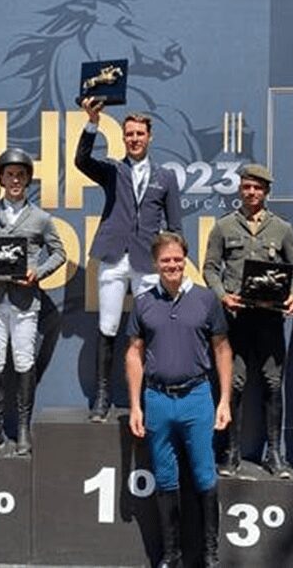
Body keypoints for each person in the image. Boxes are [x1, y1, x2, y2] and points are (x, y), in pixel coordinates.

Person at [126, 232, 232, 568]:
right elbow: (134, 353)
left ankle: (210, 555)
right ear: (155, 263)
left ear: (185, 260)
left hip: (197, 397)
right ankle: (171, 555)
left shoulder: (206, 299)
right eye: (165, 260)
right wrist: (135, 405)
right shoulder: (143, 302)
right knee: (165, 478)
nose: (172, 265)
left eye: (177, 258)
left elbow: (222, 349)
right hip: (157, 399)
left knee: (205, 476)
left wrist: (224, 400)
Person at [76, 97, 183, 422]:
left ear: (150, 137)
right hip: (113, 256)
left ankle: (151, 395)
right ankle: (102, 397)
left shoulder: (166, 176)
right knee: (107, 326)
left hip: (147, 262)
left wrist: (173, 261)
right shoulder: (113, 170)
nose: (135, 139)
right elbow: (82, 160)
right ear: (123, 137)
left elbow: (175, 227)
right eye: (130, 134)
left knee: (151, 328)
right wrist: (92, 122)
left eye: (140, 134)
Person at [203, 164, 293, 479]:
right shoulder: (224, 226)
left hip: (270, 318)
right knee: (234, 383)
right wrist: (222, 295)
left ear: (266, 191)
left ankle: (274, 454)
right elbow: (209, 268)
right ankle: (231, 452)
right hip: (236, 318)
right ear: (240, 189)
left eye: (257, 188)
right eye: (246, 187)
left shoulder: (282, 228)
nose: (251, 192)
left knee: (273, 383)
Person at [0, 148, 66, 456]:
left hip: (25, 300)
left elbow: (59, 253)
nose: (15, 180)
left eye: (20, 175)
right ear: (1, 178)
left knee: (24, 361)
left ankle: (23, 427)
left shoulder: (41, 218)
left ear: (27, 180)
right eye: (9, 175)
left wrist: (38, 272)